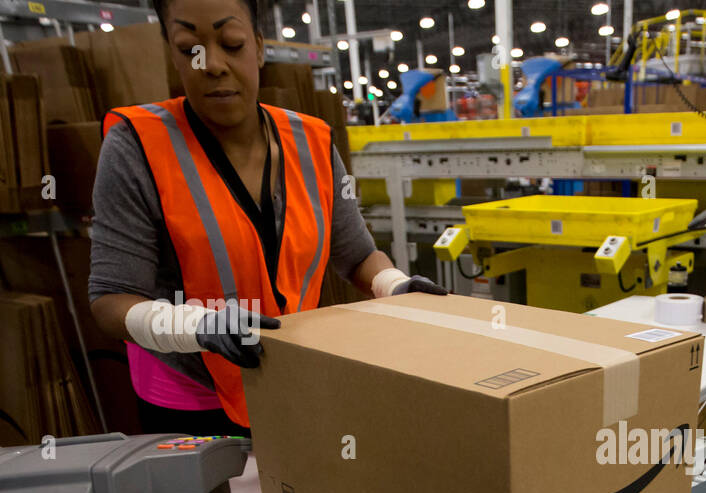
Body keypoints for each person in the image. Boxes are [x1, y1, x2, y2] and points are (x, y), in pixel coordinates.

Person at [89, 0, 443, 436]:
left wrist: (396, 285)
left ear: (258, 48)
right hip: (190, 398)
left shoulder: (311, 143)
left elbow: (355, 255)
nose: (212, 64)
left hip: (287, 373)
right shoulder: (137, 146)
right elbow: (110, 298)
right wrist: (195, 327)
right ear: (170, 53)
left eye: (232, 44)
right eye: (189, 48)